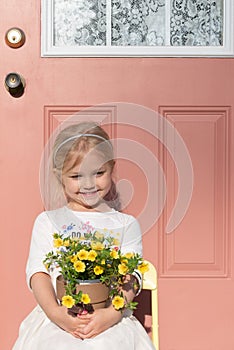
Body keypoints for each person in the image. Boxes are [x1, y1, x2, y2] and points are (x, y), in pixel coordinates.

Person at [13, 121, 156, 350]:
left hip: (110, 317)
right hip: (59, 316)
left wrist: (110, 315)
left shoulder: (125, 224)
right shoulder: (48, 222)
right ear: (59, 175)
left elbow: (132, 275)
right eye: (76, 176)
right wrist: (56, 313)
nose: (88, 184)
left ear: (111, 168)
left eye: (98, 173)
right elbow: (38, 272)